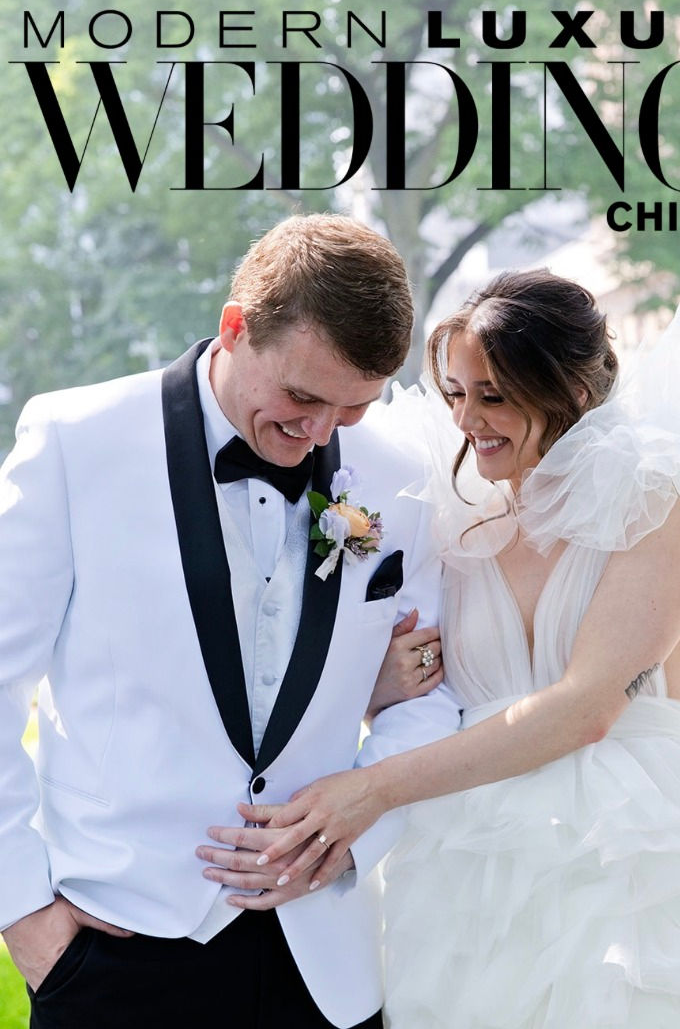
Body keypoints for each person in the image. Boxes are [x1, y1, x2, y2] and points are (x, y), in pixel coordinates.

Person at [201, 272, 680, 1028]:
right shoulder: (451, 511)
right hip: (473, 860)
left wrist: (372, 789)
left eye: (493, 396)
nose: (466, 420)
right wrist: (382, 687)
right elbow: (410, 675)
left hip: (638, 850)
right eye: (455, 393)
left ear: (570, 390)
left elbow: (587, 709)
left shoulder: (661, 496)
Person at [0, 214, 461, 1029]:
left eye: (353, 408)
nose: (320, 433)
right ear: (236, 328)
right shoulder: (77, 442)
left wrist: (357, 822)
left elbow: (431, 691)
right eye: (302, 396)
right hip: (115, 947)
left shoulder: (401, 477)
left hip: (326, 968)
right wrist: (23, 915)